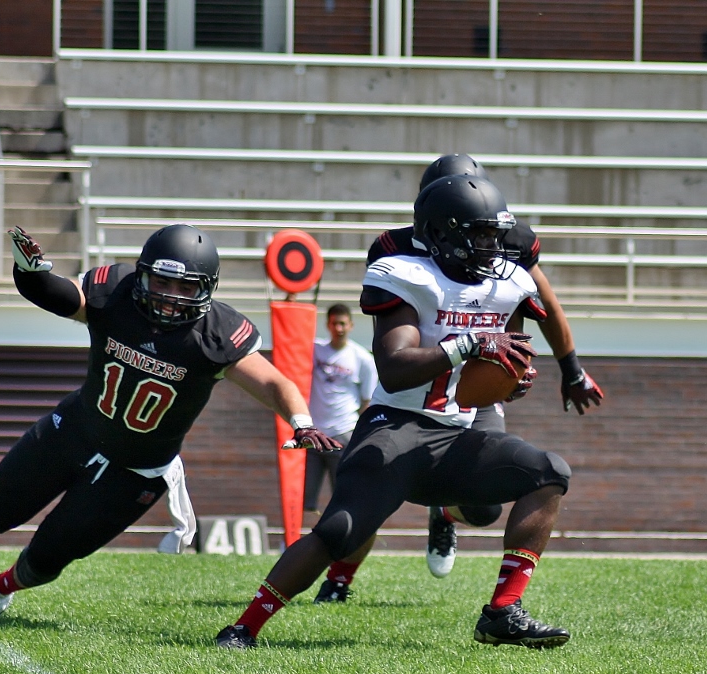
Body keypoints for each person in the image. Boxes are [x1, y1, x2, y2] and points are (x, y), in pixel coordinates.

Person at [217, 174, 572, 650]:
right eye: (481, 234)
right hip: (397, 429)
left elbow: (498, 363)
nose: (494, 246)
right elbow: (394, 368)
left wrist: (510, 381)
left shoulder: (510, 285)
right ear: (442, 234)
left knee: (548, 472)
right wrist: (468, 343)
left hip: (458, 434)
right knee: (340, 530)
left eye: (495, 233)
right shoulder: (405, 274)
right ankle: (245, 626)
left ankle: (503, 611)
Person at [0, 223, 341, 618]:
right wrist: (30, 273)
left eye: (185, 287)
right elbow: (57, 293)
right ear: (142, 275)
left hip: (137, 469)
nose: (171, 297)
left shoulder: (215, 335)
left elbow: (274, 381)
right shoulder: (116, 293)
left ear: (207, 288)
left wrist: (302, 421)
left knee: (47, 558)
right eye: (162, 281)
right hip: (76, 430)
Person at [313, 153, 603, 602]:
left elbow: (537, 307)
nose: (484, 237)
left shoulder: (513, 242)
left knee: (485, 509)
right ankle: (338, 579)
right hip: (416, 380)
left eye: (489, 227)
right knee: (368, 491)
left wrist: (561, 369)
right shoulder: (395, 248)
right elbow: (393, 336)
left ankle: (444, 512)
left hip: (472, 383)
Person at [305, 303, 377, 515]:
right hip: (313, 434)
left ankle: (339, 538)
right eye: (334, 323)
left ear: (351, 325)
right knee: (305, 495)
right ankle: (297, 537)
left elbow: (367, 401)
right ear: (328, 325)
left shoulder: (362, 358)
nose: (339, 328)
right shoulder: (315, 350)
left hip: (342, 434)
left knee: (342, 493)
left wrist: (356, 433)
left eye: (343, 324)